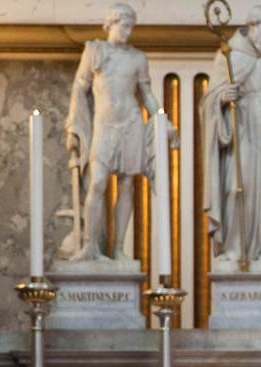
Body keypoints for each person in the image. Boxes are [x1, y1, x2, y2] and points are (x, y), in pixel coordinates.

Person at [65, 3, 179, 261]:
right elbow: (79, 89)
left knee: (127, 185)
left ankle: (118, 248)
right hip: (104, 125)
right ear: (111, 24)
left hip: (131, 123)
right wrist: (73, 126)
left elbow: (147, 94)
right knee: (97, 182)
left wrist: (163, 120)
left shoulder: (138, 57)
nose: (128, 31)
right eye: (124, 26)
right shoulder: (94, 51)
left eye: (131, 27)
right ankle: (89, 247)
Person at [201, 4, 261, 263]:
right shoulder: (228, 56)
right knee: (237, 186)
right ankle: (234, 248)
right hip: (241, 128)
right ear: (252, 26)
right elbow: (208, 102)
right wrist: (223, 97)